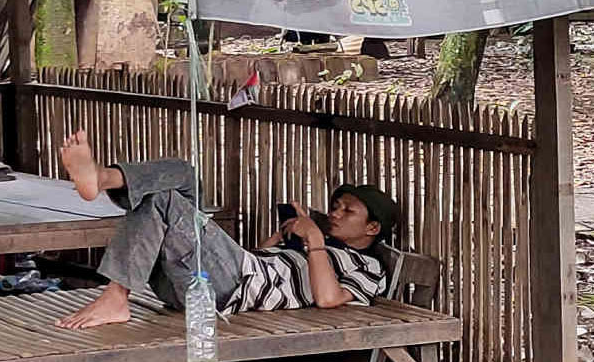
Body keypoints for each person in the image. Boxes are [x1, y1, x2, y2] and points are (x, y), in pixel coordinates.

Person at [50, 129, 397, 331]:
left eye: (347, 211)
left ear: (372, 227)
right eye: (335, 206)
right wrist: (280, 241)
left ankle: (116, 296)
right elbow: (266, 268)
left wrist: (315, 240)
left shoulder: (368, 268)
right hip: (227, 273)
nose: (336, 214)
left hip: (224, 292)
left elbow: (328, 299)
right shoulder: (317, 249)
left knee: (165, 199)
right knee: (182, 173)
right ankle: (104, 177)